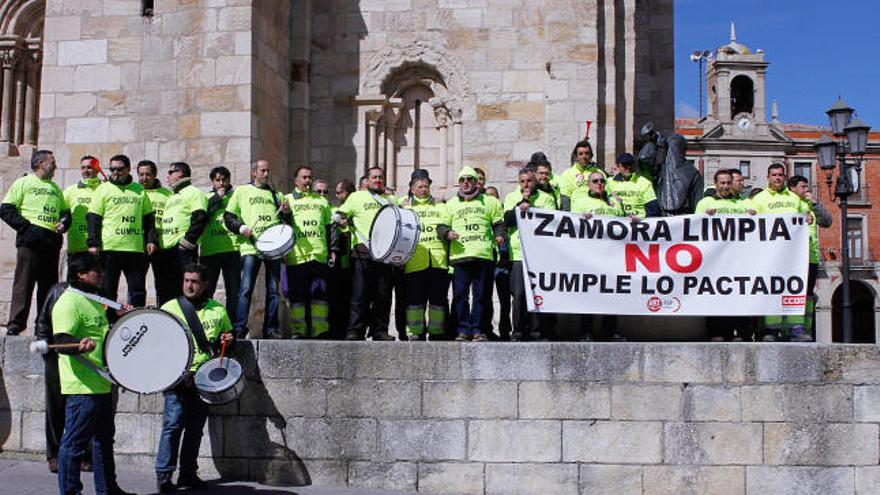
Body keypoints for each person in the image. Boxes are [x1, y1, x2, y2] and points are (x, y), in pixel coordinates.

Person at [52, 255, 133, 495]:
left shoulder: (93, 299)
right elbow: (61, 339)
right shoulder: (69, 302)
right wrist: (79, 344)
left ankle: (107, 489)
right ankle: (70, 491)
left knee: (104, 441)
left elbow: (98, 327)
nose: (101, 274)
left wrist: (115, 316)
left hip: (102, 382)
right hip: (82, 386)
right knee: (74, 445)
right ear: (80, 275)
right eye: (96, 270)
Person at [155, 263, 233, 492]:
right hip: (177, 377)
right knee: (172, 426)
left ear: (205, 284)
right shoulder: (170, 308)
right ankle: (163, 476)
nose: (189, 285)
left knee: (195, 428)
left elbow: (226, 340)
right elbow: (158, 344)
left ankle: (188, 473)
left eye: (194, 281)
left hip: (204, 378)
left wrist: (228, 342)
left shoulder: (218, 310)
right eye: (186, 280)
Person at [0, 150, 69, 335]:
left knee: (48, 286)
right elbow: (6, 209)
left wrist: (63, 223)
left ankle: (44, 326)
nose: (55, 165)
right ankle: (15, 324)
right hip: (30, 242)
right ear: (40, 163)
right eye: (52, 161)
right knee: (24, 283)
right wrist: (27, 229)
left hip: (51, 242)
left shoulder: (55, 188)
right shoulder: (24, 182)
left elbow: (65, 212)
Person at [224, 159, 291, 339]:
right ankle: (239, 327)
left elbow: (286, 224)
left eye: (268, 171)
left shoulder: (277, 195)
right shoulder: (242, 191)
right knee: (245, 289)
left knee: (273, 291)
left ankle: (270, 329)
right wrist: (241, 228)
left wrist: (286, 213)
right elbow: (228, 216)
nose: (266, 174)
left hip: (272, 249)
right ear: (254, 172)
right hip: (250, 248)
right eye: (262, 171)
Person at [438, 166, 506, 341]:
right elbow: (441, 226)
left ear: (477, 182)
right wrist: (447, 233)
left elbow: (499, 223)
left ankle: (478, 330)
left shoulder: (490, 202)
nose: (466, 182)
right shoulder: (451, 204)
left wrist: (499, 235)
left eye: (470, 179)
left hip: (483, 256)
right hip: (460, 257)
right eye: (462, 180)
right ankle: (463, 330)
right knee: (460, 296)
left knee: (481, 296)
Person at [750, 163, 812, 341]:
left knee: (794, 289)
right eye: (774, 175)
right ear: (768, 178)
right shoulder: (759, 199)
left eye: (780, 175)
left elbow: (805, 215)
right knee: (771, 290)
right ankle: (771, 330)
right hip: (769, 255)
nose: (777, 178)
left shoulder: (794, 199)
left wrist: (807, 218)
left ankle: (796, 329)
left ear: (785, 177)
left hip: (793, 255)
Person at [336, 166, 398, 341]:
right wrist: (345, 224)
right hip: (362, 252)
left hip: (386, 254)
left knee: (383, 295)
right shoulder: (356, 197)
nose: (377, 180)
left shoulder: (391, 200)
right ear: (368, 180)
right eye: (374, 177)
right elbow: (338, 215)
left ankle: (380, 330)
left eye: (380, 177)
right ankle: (355, 330)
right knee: (360, 295)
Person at [695, 169, 757, 341]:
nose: (725, 186)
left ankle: (740, 331)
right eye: (722, 183)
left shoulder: (743, 205)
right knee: (715, 294)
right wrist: (704, 217)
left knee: (739, 294)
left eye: (728, 183)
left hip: (739, 260)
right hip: (715, 260)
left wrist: (754, 217)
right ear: (715, 184)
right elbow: (693, 227)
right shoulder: (705, 203)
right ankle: (716, 331)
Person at [88, 154, 157, 307]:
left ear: (128, 169)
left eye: (119, 169)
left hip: (134, 248)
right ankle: (109, 323)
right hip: (109, 248)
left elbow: (149, 218)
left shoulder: (139, 190)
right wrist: (93, 243)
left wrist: (151, 240)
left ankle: (138, 320)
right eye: (112, 169)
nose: (115, 173)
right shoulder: (103, 190)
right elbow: (93, 218)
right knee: (108, 290)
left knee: (137, 290)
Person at [569, 170, 626, 341]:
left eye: (602, 180)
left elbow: (624, 225)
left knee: (612, 293)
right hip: (590, 255)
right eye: (595, 181)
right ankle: (586, 331)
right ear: (589, 184)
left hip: (612, 255)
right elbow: (571, 224)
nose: (599, 183)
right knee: (589, 294)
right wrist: (581, 218)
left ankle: (609, 331)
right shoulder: (580, 202)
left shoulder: (615, 202)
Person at [503, 168, 556, 341]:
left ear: (535, 181)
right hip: (518, 253)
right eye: (522, 181)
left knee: (538, 294)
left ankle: (536, 331)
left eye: (529, 181)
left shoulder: (546, 199)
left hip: (539, 254)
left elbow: (551, 221)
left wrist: (531, 208)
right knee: (518, 295)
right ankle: (517, 331)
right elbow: (508, 220)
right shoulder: (511, 198)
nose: (526, 184)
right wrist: (521, 205)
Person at [285, 166, 335, 339]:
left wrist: (332, 250)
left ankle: (320, 329)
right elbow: (282, 228)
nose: (307, 181)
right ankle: (299, 330)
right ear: (296, 180)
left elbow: (330, 228)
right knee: (297, 297)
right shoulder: (287, 200)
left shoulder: (321, 202)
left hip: (319, 254)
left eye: (310, 177)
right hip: (296, 255)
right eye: (304, 177)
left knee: (320, 296)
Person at [400, 170, 449, 341]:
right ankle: (415, 331)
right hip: (414, 261)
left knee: (438, 301)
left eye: (426, 187)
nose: (423, 190)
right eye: (420, 187)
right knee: (415, 300)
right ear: (412, 189)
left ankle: (437, 332)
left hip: (438, 261)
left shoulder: (440, 206)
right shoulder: (404, 205)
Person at [788, 174, 832, 342]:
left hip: (810, 257)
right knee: (792, 294)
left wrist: (815, 204)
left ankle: (805, 330)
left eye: (806, 187)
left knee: (807, 296)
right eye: (803, 187)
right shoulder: (789, 203)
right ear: (792, 188)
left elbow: (827, 222)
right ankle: (790, 330)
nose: (806, 190)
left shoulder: (809, 204)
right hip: (791, 258)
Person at [158, 161, 208, 304]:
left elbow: (200, 218)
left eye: (170, 172)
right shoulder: (172, 196)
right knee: (168, 289)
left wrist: (186, 243)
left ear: (180, 173)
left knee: (187, 289)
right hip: (168, 250)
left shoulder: (194, 192)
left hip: (183, 250)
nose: (167, 176)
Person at [199, 166, 241, 322]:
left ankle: (232, 326)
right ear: (213, 182)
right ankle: (206, 322)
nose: (221, 183)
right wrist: (217, 197)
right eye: (218, 180)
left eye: (224, 180)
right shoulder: (206, 197)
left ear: (229, 180)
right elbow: (203, 217)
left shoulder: (236, 196)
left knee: (234, 291)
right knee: (207, 290)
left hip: (233, 250)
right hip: (210, 250)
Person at [138, 160, 174, 306]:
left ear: (155, 174)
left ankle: (164, 312)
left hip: (161, 243)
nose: (144, 178)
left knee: (164, 282)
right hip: (139, 243)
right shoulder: (136, 192)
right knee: (138, 283)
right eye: (141, 174)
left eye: (148, 174)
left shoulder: (167, 195)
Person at [64, 156, 104, 270]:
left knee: (100, 285)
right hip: (76, 248)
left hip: (100, 248)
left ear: (97, 169)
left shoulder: (105, 189)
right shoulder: (71, 191)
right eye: (83, 168)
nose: (85, 171)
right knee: (75, 285)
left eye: (90, 167)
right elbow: (62, 213)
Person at [329, 179, 357, 338]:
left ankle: (349, 329)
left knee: (351, 299)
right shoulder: (336, 211)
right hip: (339, 262)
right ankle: (337, 330)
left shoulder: (354, 212)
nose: (336, 195)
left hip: (353, 260)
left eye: (339, 192)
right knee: (337, 297)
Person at [606, 152, 661, 218]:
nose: (629, 167)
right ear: (618, 166)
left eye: (631, 164)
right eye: (625, 164)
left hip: (638, 222)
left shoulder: (644, 182)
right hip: (616, 221)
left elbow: (653, 208)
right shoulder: (609, 182)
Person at [558, 140, 605, 211]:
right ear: (576, 157)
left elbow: (607, 194)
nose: (584, 156)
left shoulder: (599, 173)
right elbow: (565, 198)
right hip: (577, 216)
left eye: (587, 153)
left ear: (591, 155)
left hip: (597, 213)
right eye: (581, 154)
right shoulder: (567, 174)